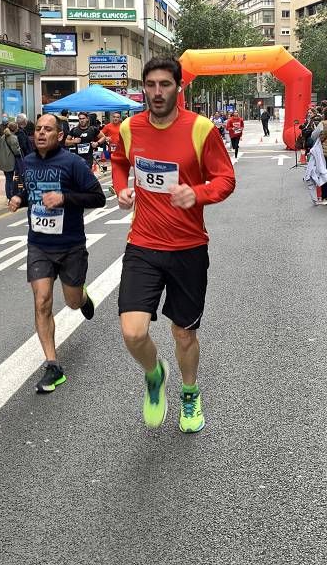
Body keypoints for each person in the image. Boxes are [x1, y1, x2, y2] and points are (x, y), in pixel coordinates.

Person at [111, 57, 236, 433]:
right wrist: (122, 189)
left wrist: (196, 194)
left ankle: (190, 392)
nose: (157, 92)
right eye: (150, 84)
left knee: (184, 333)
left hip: (188, 248)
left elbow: (226, 178)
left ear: (178, 88)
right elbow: (119, 162)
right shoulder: (130, 128)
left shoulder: (200, 129)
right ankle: (154, 374)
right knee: (133, 332)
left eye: (165, 84)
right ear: (144, 88)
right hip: (143, 244)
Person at [9, 114, 105, 393]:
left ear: (59, 136)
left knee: (73, 302)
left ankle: (83, 295)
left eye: (47, 129)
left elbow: (97, 197)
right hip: (39, 244)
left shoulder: (72, 164)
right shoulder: (26, 162)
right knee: (42, 301)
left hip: (71, 245)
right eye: (37, 129)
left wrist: (65, 197)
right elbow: (28, 190)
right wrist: (19, 198)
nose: (40, 133)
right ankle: (53, 365)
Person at [0, 121, 23, 200]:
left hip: (3, 161)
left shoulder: (3, 137)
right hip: (10, 161)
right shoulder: (13, 138)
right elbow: (16, 151)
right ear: (15, 129)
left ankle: (8, 196)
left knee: (8, 180)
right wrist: (20, 150)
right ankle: (10, 196)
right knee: (10, 180)